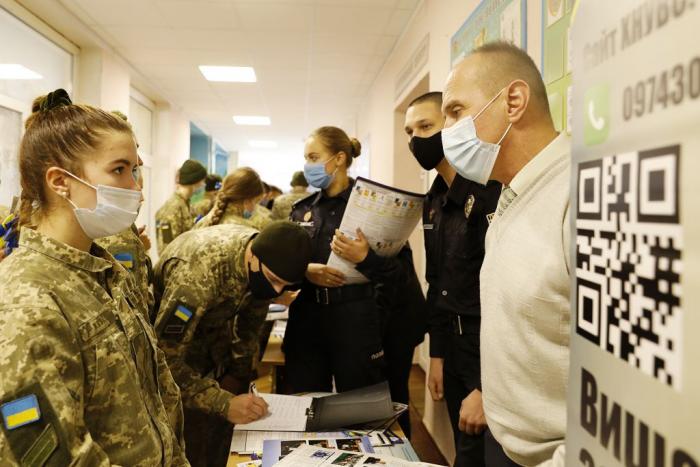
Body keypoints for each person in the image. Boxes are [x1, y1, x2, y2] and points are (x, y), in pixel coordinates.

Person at [0, 89, 188, 465]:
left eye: (135, 171)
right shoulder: (27, 296)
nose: (136, 189)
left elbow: (160, 397)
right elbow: (50, 455)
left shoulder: (107, 273)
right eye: (119, 170)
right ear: (60, 181)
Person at [442, 42, 570, 466]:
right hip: (503, 442)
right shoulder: (509, 195)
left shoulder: (581, 195)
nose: (446, 131)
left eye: (456, 111)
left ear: (513, 102)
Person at [153, 221, 312, 467]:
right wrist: (222, 402)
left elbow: (249, 325)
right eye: (274, 280)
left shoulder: (263, 262)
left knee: (225, 435)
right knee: (193, 440)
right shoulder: (197, 277)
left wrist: (238, 375)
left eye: (285, 285)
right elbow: (163, 361)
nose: (277, 290)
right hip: (176, 348)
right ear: (253, 258)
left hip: (214, 335)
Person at [404, 91, 500, 465]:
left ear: (451, 125)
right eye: (409, 131)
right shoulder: (433, 201)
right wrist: (437, 355)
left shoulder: (489, 191)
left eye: (425, 126)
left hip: (487, 351)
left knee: (480, 456)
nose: (416, 139)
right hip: (452, 345)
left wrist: (485, 386)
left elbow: (505, 296)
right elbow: (437, 282)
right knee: (464, 449)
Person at [284, 126, 414, 393]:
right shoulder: (302, 210)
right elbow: (283, 269)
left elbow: (400, 275)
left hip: (356, 319)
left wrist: (366, 257)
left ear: (339, 158)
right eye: (306, 158)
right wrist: (305, 270)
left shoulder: (374, 208)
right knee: (304, 400)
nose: (308, 166)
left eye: (313, 157)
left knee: (359, 403)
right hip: (307, 319)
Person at [155, 159, 206, 254]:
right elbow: (167, 250)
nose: (203, 184)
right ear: (195, 180)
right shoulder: (172, 208)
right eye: (202, 181)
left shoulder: (186, 204)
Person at [195, 167, 265, 230]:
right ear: (247, 201)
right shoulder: (248, 231)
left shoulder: (201, 223)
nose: (255, 207)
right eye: (256, 201)